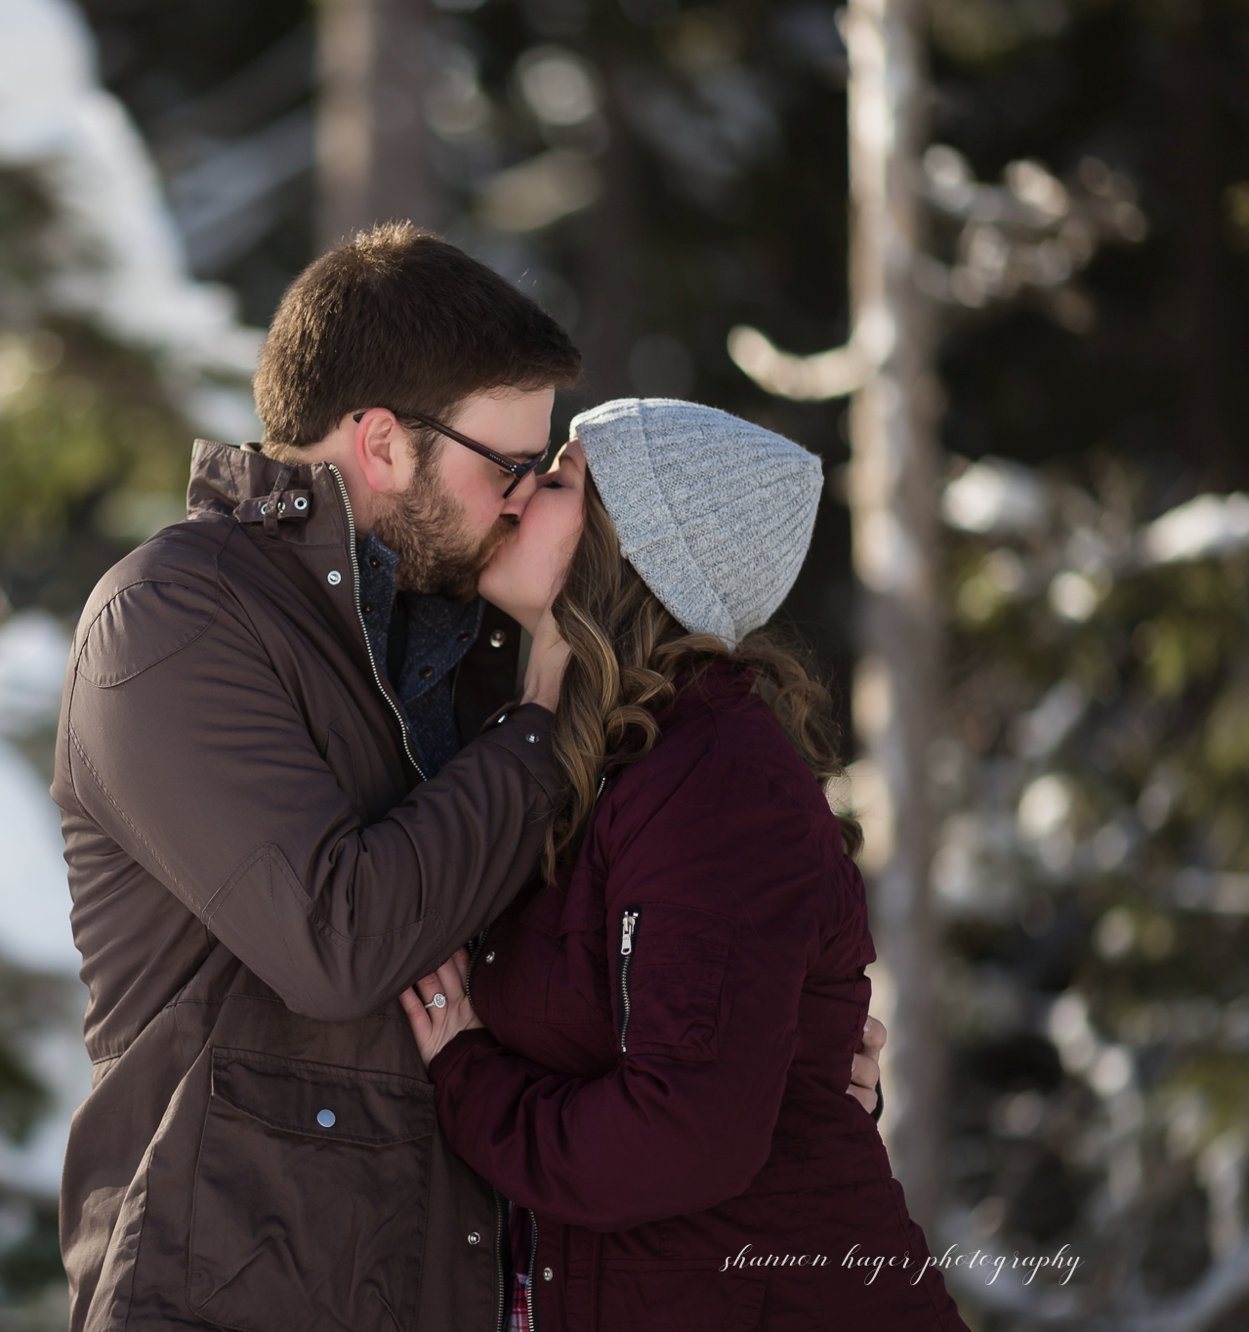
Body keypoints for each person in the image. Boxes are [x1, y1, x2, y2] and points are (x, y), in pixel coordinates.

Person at [53, 224, 884, 1332]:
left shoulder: (467, 647)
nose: (518, 498)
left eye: (544, 476)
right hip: (230, 1296)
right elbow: (338, 941)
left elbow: (601, 991)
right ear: (383, 444)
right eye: (507, 467)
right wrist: (532, 722)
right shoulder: (173, 620)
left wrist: (790, 1070)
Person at [401, 398, 965, 1330]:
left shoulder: (715, 783)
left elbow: (683, 1134)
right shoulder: (603, 759)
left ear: (635, 550)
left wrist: (467, 1075)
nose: (514, 496)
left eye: (558, 481)